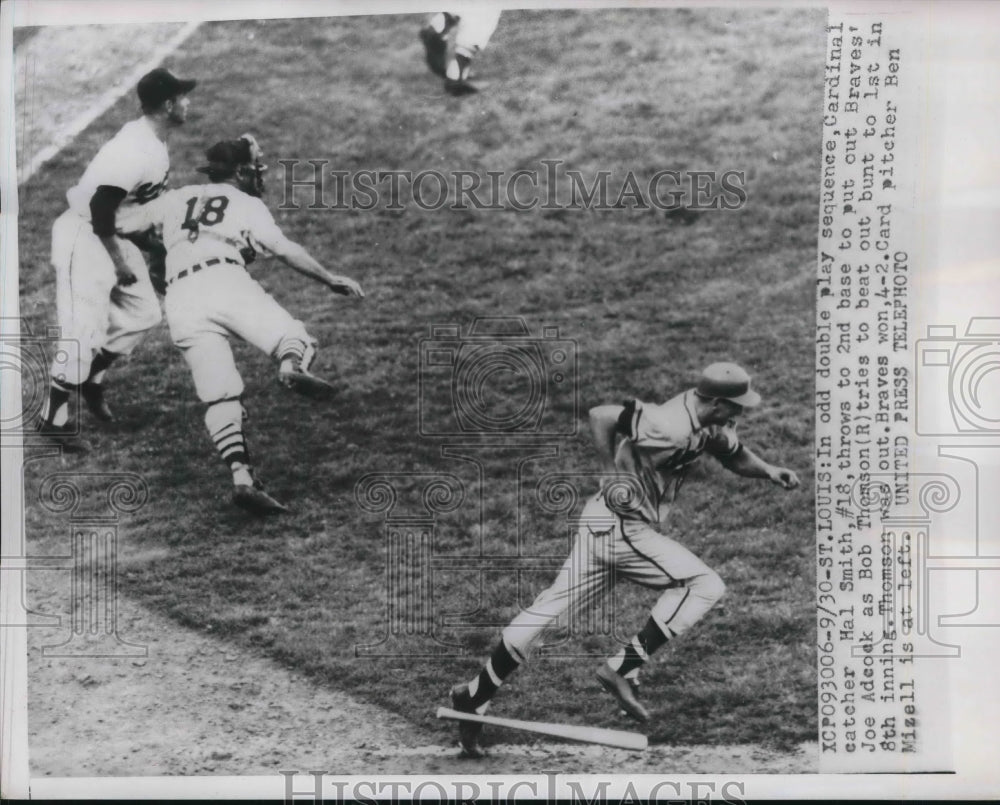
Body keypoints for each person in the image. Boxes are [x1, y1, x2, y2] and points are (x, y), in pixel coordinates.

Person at [447, 362, 801, 757]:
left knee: (547, 612)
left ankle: (473, 696)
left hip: (601, 522)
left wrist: (770, 471)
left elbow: (733, 456)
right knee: (703, 585)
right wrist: (607, 471)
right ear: (716, 402)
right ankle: (620, 668)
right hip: (622, 530)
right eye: (737, 406)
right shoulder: (667, 423)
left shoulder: (709, 425)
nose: (742, 413)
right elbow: (602, 415)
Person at [121, 134, 364, 514]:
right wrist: (329, 278)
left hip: (181, 296)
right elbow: (284, 250)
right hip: (223, 279)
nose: (260, 174)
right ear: (240, 171)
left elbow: (128, 227)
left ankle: (242, 478)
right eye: (256, 166)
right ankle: (290, 367)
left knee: (220, 395)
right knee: (294, 336)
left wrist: (166, 248)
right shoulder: (245, 202)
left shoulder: (174, 198)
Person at [38, 67, 197, 452]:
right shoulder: (134, 150)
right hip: (86, 235)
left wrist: (157, 248)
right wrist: (120, 261)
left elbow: (129, 211)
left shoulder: (154, 142)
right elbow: (101, 206)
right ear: (168, 104)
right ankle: (51, 418)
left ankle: (90, 379)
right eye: (183, 97)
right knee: (82, 329)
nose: (188, 103)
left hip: (110, 233)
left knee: (144, 312)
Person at [419, 8, 501, 95]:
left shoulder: (449, 71)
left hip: (467, 37)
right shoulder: (448, 69)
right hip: (470, 38)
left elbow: (446, 49)